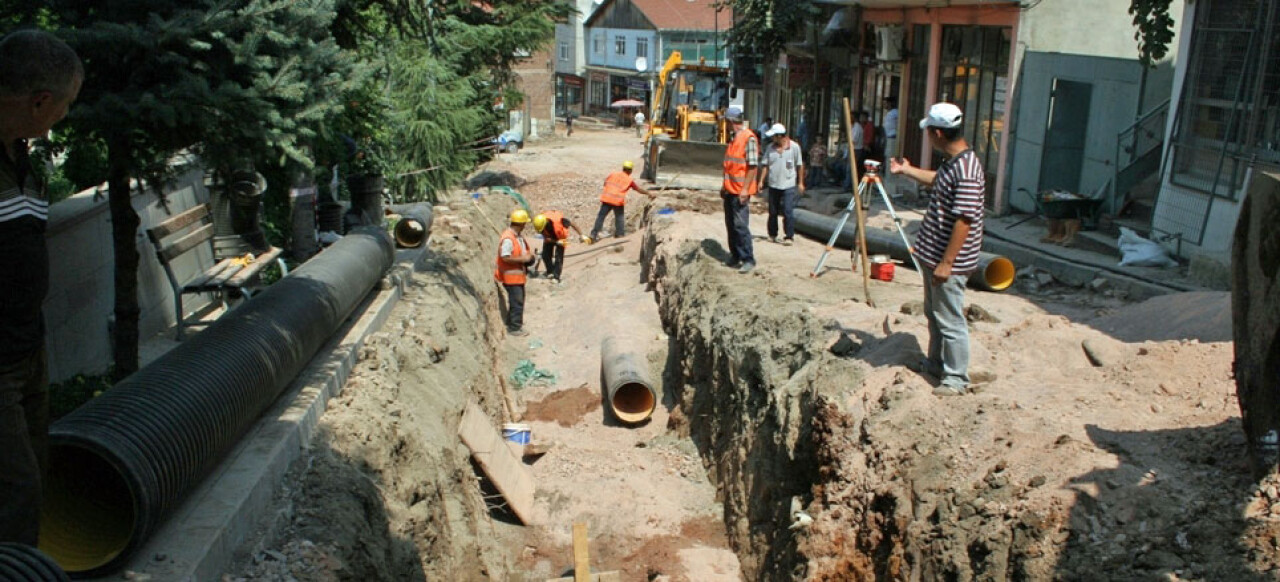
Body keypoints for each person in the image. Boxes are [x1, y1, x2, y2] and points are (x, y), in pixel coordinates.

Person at [0, 29, 82, 547]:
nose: (66, 116)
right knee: (16, 488)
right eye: (66, 105)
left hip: (27, 346)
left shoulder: (22, 156)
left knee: (32, 474)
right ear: (39, 102)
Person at [889, 102, 986, 396]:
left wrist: (947, 263)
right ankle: (935, 363)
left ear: (939, 133)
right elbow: (937, 180)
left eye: (929, 132)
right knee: (934, 313)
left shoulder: (967, 169)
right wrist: (906, 170)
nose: (928, 137)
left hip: (949, 263)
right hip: (934, 257)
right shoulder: (953, 162)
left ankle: (956, 378)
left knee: (950, 318)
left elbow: (964, 220)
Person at [721, 106, 760, 273]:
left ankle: (747, 258)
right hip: (730, 189)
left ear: (731, 121)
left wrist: (745, 190)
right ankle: (735, 254)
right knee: (730, 224)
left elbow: (752, 166)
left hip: (740, 191)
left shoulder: (748, 138)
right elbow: (730, 167)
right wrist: (724, 186)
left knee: (740, 225)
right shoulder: (734, 139)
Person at [759, 123, 805, 245]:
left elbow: (800, 165)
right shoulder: (770, 148)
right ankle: (772, 233)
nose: (772, 139)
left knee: (788, 210)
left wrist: (800, 182)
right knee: (772, 211)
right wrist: (761, 181)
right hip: (774, 184)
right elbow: (765, 165)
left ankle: (789, 236)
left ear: (780, 136)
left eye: (774, 136)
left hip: (788, 184)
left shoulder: (794, 147)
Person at [495, 209, 536, 336]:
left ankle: (511, 322)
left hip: (517, 277)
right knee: (517, 302)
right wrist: (522, 259)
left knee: (517, 301)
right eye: (524, 224)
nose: (525, 226)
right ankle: (514, 328)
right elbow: (505, 257)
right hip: (511, 278)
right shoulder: (508, 238)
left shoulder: (516, 237)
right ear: (521, 224)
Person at [589, 160, 652, 241]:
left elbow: (605, 183)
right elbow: (638, 189)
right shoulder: (629, 180)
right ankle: (620, 235)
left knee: (601, 217)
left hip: (607, 198)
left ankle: (593, 234)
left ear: (623, 168)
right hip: (617, 201)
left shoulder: (613, 174)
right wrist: (648, 193)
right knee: (619, 217)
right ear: (630, 170)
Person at [532, 211, 587, 281]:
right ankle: (550, 272)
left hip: (560, 237)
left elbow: (572, 224)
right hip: (550, 237)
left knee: (559, 257)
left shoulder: (558, 222)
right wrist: (554, 241)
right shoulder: (540, 222)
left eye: (542, 230)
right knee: (545, 255)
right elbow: (547, 238)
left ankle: (556, 277)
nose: (542, 232)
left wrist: (581, 235)